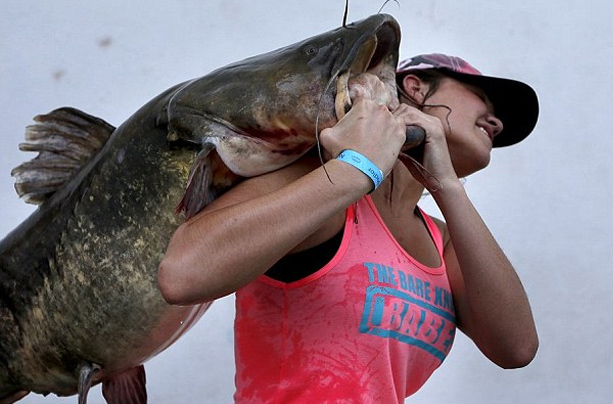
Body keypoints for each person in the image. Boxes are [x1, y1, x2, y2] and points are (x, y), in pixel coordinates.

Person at [157, 53, 540, 403]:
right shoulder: (327, 185)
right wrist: (357, 169)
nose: (497, 121)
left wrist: (447, 186)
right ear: (416, 86)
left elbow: (516, 348)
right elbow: (181, 274)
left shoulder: (443, 241)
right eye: (482, 98)